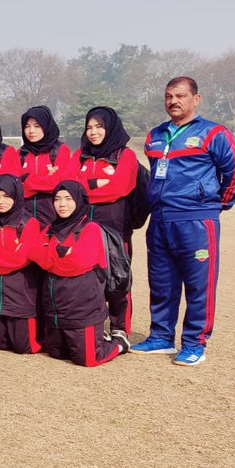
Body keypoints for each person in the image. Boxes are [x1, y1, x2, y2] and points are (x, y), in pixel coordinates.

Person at [133, 76, 235, 366]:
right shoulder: (155, 135)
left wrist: (214, 206)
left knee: (199, 285)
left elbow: (234, 173)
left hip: (196, 222)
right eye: (169, 96)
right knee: (161, 282)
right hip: (160, 221)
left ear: (196, 99)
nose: (174, 101)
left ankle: (194, 343)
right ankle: (161, 337)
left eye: (181, 95)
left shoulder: (214, 134)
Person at [31, 181, 128, 366]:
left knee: (89, 359)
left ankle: (118, 344)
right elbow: (33, 252)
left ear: (79, 200)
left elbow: (77, 263)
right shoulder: (50, 228)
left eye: (68, 199)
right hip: (56, 310)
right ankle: (98, 336)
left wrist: (49, 254)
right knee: (56, 354)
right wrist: (61, 253)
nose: (62, 204)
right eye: (57, 199)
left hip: (83, 309)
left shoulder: (90, 228)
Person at [76, 106, 140, 340]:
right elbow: (72, 189)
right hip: (84, 226)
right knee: (88, 277)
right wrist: (98, 183)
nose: (93, 132)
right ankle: (93, 324)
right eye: (89, 127)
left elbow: (118, 189)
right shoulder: (80, 155)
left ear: (110, 127)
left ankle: (119, 327)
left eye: (99, 127)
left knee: (118, 278)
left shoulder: (126, 155)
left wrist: (87, 186)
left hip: (115, 227)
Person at [0, 175, 43, 354]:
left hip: (21, 295)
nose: (0, 201)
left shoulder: (29, 223)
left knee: (24, 347)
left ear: (17, 196)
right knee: (0, 344)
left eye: (6, 196)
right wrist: (8, 254)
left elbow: (22, 259)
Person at [19, 105, 74, 226]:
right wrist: (45, 181)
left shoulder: (60, 150)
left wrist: (26, 178)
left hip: (53, 215)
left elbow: (59, 183)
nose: (31, 131)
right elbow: (15, 186)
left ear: (46, 126)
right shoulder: (20, 153)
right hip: (24, 217)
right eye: (27, 126)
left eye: (37, 126)